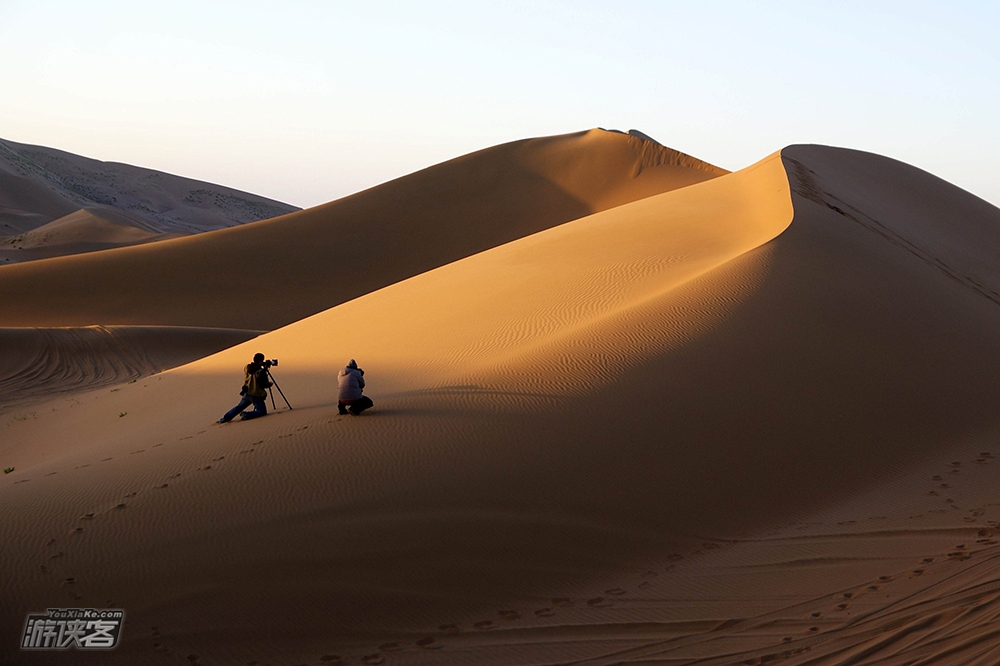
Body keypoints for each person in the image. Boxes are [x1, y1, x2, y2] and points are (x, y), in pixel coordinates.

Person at [219, 353, 272, 423]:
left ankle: (225, 419)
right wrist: (269, 384)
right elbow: (263, 384)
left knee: (238, 407)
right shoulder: (260, 372)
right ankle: (247, 415)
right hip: (255, 394)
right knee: (262, 411)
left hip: (247, 392)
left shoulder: (247, 367)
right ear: (260, 361)